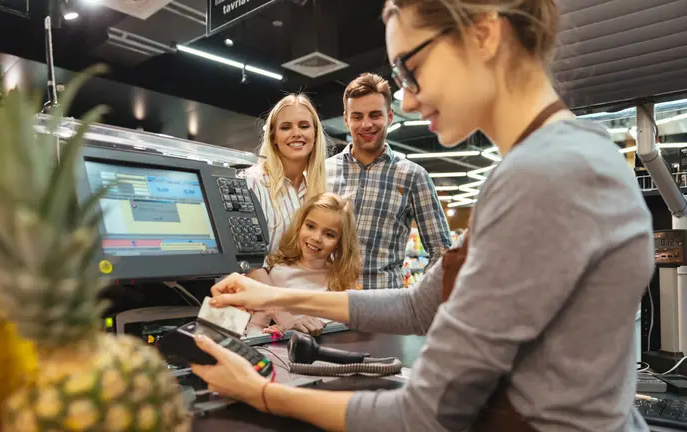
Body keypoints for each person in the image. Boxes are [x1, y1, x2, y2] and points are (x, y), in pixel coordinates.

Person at [189, 1, 654, 431]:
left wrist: (262, 394)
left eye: (410, 69)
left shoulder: (546, 176)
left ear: (485, 36)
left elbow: (425, 414)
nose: (406, 101)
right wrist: (275, 294)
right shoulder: (559, 156)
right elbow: (417, 306)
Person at [326, 72, 451, 290]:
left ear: (390, 117)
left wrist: (417, 299)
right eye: (357, 116)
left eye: (375, 115)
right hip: (325, 307)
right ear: (346, 119)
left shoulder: (413, 176)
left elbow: (441, 251)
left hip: (384, 310)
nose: (366, 124)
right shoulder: (324, 171)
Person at [244, 192, 362, 337]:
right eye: (311, 226)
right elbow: (255, 329)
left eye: (329, 234)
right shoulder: (278, 274)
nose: (316, 238)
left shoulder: (343, 278)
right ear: (300, 226)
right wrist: (274, 335)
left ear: (340, 243)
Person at [242, 93, 328, 256]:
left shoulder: (318, 191)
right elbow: (246, 261)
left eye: (304, 126)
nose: (296, 133)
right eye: (286, 127)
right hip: (255, 281)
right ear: (273, 136)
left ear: (315, 135)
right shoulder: (251, 182)